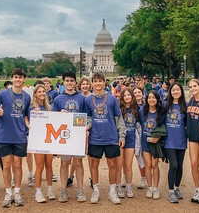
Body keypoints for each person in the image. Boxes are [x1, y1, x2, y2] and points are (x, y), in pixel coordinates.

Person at [0, 68, 31, 207]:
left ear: (24, 79)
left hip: (19, 135)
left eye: (20, 77)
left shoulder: (27, 97)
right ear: (12, 78)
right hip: (4, 136)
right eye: (15, 77)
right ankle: (8, 193)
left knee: (18, 165)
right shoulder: (2, 94)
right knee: (7, 165)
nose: (18, 79)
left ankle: (18, 193)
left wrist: (28, 123)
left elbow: (26, 115)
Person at [85, 72, 126, 205]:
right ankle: (96, 190)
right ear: (92, 83)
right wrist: (88, 126)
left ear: (104, 83)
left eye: (100, 81)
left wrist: (121, 135)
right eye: (95, 81)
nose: (97, 83)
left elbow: (119, 118)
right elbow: (88, 117)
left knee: (112, 164)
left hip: (111, 137)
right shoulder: (88, 100)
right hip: (95, 137)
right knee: (94, 164)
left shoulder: (112, 99)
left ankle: (112, 191)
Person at [52, 70, 88, 203]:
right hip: (64, 136)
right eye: (67, 80)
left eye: (72, 80)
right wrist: (59, 114)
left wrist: (86, 127)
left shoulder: (82, 98)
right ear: (63, 82)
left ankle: (80, 190)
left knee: (78, 162)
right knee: (64, 163)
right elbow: (53, 119)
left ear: (75, 82)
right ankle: (63, 190)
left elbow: (86, 116)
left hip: (78, 135)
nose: (69, 83)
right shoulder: (58, 99)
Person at [29, 84, 56, 203]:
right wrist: (33, 115)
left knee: (49, 166)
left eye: (43, 91)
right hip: (38, 140)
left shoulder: (49, 108)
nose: (41, 93)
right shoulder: (31, 108)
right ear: (35, 94)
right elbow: (28, 123)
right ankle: (38, 192)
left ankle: (50, 190)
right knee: (39, 166)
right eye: (39, 92)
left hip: (48, 140)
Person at [164, 82, 187, 203]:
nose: (176, 92)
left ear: (181, 91)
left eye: (178, 90)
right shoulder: (165, 105)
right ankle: (171, 191)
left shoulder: (185, 106)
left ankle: (177, 188)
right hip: (169, 141)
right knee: (173, 165)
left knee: (180, 165)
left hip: (181, 140)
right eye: (173, 90)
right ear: (170, 92)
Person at [116, 88, 140, 198]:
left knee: (128, 165)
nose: (127, 97)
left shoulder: (136, 109)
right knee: (119, 165)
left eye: (129, 95)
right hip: (120, 139)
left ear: (132, 96)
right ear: (122, 97)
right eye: (125, 95)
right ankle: (118, 186)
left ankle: (129, 187)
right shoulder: (118, 109)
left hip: (131, 139)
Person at [142, 90, 166, 200]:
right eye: (149, 97)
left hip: (155, 143)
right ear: (147, 99)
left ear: (157, 99)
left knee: (154, 164)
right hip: (145, 142)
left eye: (153, 98)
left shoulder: (161, 112)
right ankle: (150, 187)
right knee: (147, 165)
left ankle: (156, 188)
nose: (151, 99)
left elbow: (164, 127)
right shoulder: (143, 111)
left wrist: (158, 137)